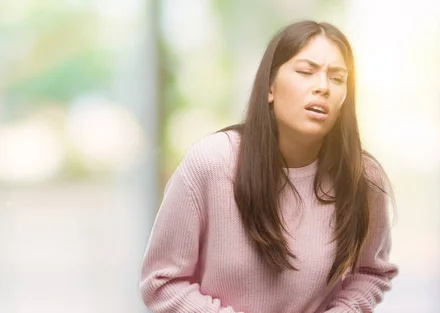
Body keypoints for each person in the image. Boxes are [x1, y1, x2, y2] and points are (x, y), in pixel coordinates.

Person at [139, 20, 398, 313]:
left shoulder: (361, 177)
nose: (322, 87)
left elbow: (371, 272)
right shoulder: (212, 162)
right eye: (305, 72)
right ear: (270, 88)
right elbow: (161, 281)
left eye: (337, 79)